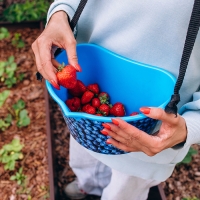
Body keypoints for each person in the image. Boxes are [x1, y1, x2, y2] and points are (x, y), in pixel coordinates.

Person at [32, 1, 200, 199]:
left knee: (126, 189)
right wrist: (61, 13)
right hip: (86, 106)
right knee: (85, 157)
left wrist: (190, 127)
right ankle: (89, 185)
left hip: (152, 134)